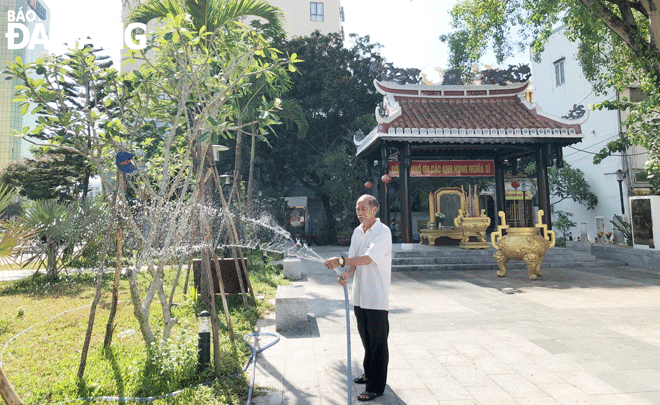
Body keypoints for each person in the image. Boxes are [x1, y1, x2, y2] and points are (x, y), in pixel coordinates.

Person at [324, 194, 392, 402]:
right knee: (366, 339)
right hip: (360, 296)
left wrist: (341, 260)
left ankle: (376, 386)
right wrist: (346, 273)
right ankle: (368, 373)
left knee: (378, 342)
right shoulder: (357, 232)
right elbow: (354, 259)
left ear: (374, 209)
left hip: (376, 296)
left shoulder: (382, 232)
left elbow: (368, 258)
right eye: (357, 209)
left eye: (363, 208)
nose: (359, 212)